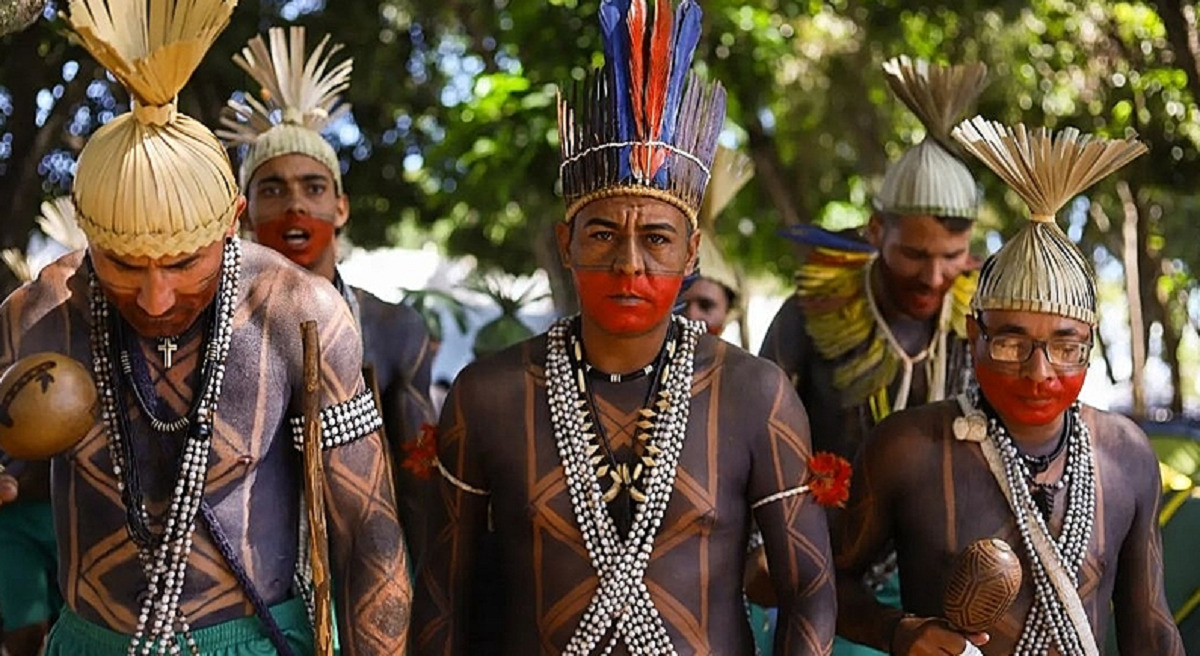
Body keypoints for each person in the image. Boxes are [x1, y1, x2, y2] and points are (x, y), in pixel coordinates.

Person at [412, 1, 837, 654]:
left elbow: (808, 589)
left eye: (657, 238)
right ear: (565, 244)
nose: (628, 263)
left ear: (691, 253)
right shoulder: (491, 395)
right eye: (603, 233)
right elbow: (443, 593)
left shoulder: (755, 396)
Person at [0, 1, 410, 654]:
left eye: (185, 263)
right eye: (126, 266)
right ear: (86, 230)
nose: (157, 297)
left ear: (232, 220)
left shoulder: (298, 314)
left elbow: (369, 534)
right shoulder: (38, 318)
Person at [835, 117, 1184, 656]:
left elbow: (1151, 626)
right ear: (974, 334)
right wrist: (898, 631)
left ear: (1090, 343)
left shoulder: (1126, 454)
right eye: (1011, 343)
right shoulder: (906, 448)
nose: (1039, 371)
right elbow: (823, 583)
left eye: (1065, 347)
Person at [758, 56, 989, 656]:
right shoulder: (810, 315)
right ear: (873, 230)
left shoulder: (984, 324)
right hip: (819, 574)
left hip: (943, 583)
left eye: (953, 254)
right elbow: (757, 444)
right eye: (913, 252)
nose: (934, 275)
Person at [218, 26, 436, 557]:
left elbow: (420, 485)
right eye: (272, 189)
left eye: (313, 188)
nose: (295, 207)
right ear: (243, 215)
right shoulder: (211, 329)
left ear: (340, 208)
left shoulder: (391, 328)